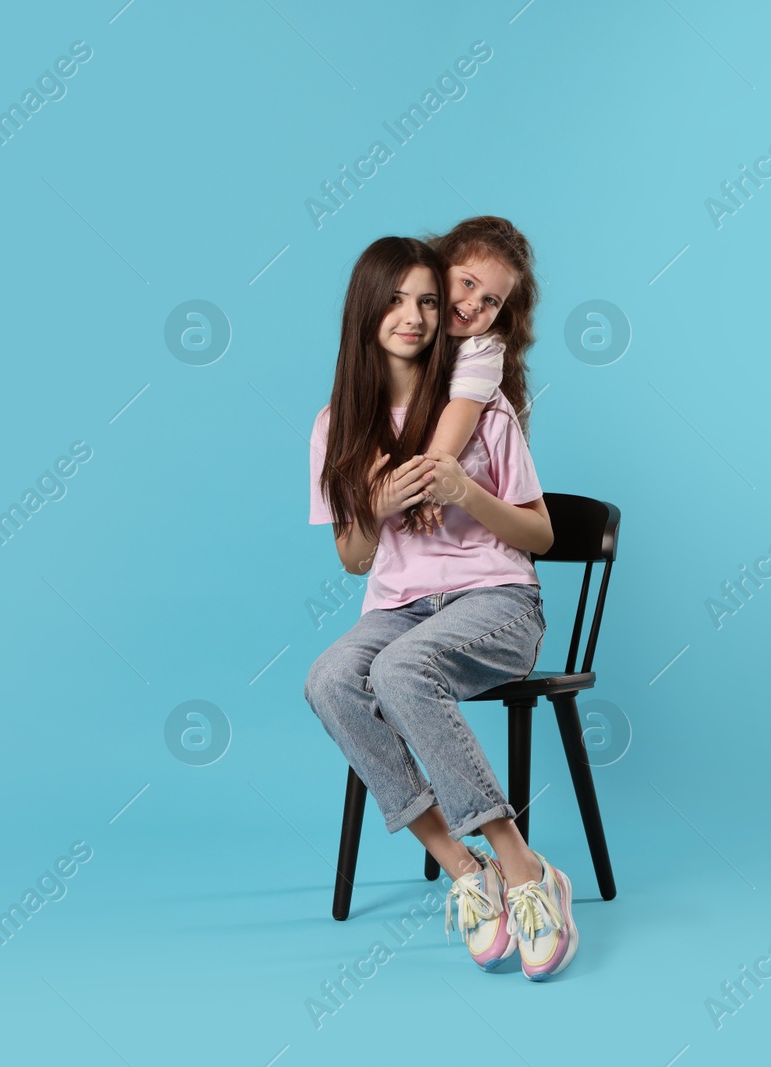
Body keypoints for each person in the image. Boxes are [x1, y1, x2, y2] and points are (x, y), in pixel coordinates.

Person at [304, 234, 578, 980]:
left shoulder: (483, 407)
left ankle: (525, 870)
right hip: (400, 607)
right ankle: (464, 865)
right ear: (366, 309)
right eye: (397, 299)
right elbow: (354, 559)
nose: (418, 314)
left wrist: (465, 492)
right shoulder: (338, 425)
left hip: (497, 603)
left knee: (400, 670)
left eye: (429, 300)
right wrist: (378, 506)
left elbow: (543, 534)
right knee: (330, 679)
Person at [401, 215, 540, 539]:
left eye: (491, 301)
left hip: (471, 526)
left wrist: (428, 485)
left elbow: (462, 409)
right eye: (468, 282)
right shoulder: (407, 327)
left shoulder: (484, 348)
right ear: (438, 269)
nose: (474, 303)